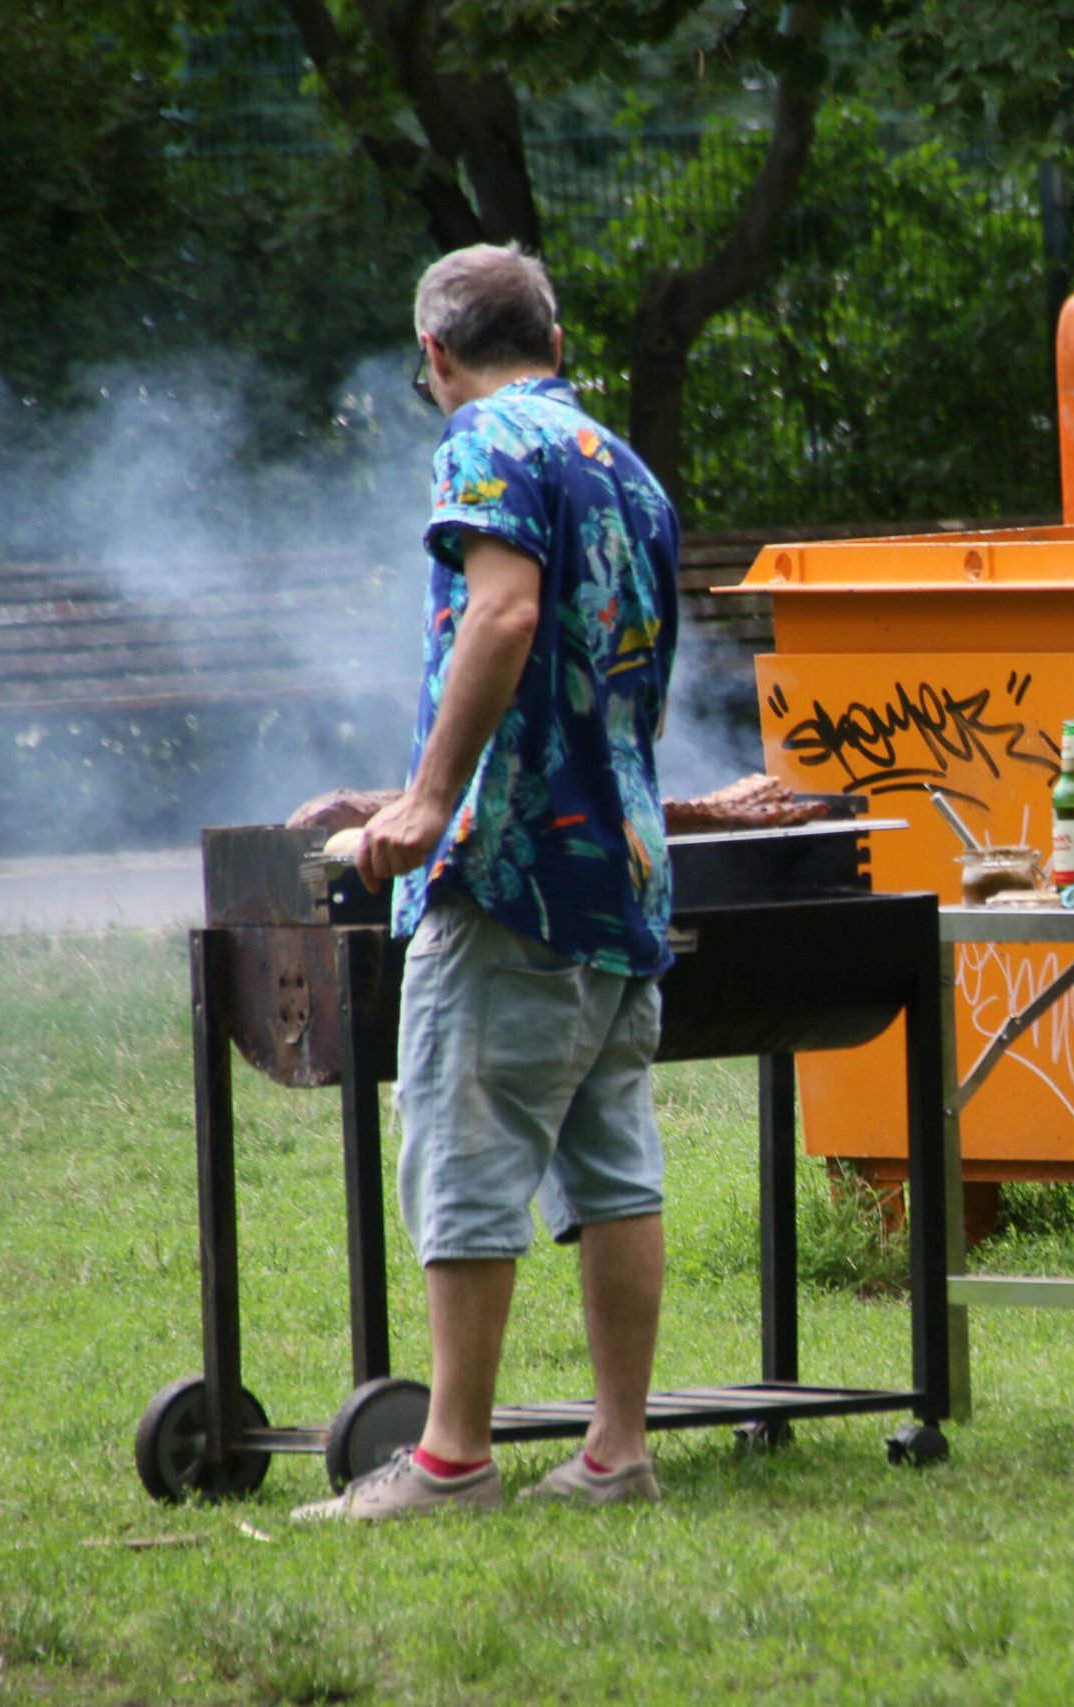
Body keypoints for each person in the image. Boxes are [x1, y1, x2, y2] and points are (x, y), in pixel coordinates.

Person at [293, 244, 680, 1521]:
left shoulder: (484, 441)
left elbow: (504, 618)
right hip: (616, 878)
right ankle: (615, 1452)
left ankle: (452, 1460)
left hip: (509, 875)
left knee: (464, 1156)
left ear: (436, 358)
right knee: (611, 1168)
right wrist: (403, 784)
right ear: (555, 343)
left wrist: (424, 805)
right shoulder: (624, 469)